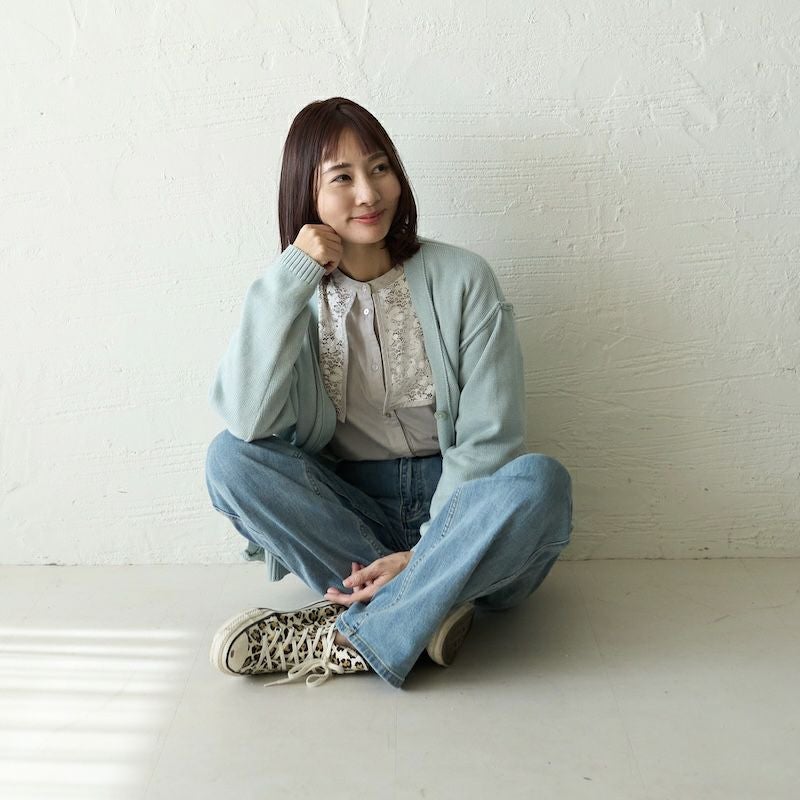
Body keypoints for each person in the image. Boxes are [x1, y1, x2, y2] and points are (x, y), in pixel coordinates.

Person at [204, 97, 573, 690]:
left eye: (379, 168)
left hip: (463, 508)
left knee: (541, 483)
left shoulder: (465, 278)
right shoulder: (294, 298)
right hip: (353, 513)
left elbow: (490, 439)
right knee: (228, 459)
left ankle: (354, 632)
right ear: (307, 194)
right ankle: (427, 610)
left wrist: (425, 552)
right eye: (341, 178)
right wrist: (292, 277)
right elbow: (246, 418)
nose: (368, 193)